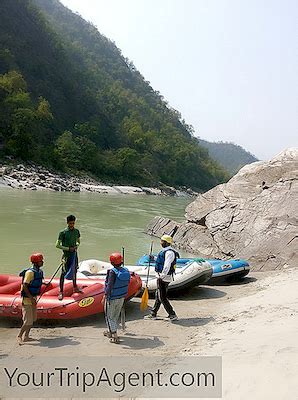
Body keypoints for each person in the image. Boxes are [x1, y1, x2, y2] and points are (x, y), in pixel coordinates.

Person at [144, 235, 178, 321]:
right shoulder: (166, 251)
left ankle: (172, 314)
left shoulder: (169, 253)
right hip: (163, 276)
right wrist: (154, 258)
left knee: (162, 297)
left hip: (164, 277)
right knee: (158, 295)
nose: (161, 243)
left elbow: (166, 266)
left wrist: (161, 276)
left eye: (162, 241)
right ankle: (153, 313)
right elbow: (162, 261)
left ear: (166, 243)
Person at [103, 252, 131, 344]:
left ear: (112, 262)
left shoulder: (112, 272)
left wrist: (105, 296)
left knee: (109, 316)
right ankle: (110, 331)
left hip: (112, 298)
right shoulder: (126, 271)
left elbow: (109, 286)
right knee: (115, 315)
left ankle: (114, 336)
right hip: (121, 297)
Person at [17, 253, 44, 344]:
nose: (42, 262)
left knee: (32, 319)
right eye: (41, 261)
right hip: (27, 299)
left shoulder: (39, 271)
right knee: (28, 320)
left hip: (33, 297)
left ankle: (26, 336)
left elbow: (36, 282)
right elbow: (25, 285)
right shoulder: (30, 272)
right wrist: (30, 297)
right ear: (36, 262)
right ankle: (19, 336)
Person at [56, 214, 81, 300]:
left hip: (74, 254)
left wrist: (76, 246)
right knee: (63, 273)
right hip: (66, 255)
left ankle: (75, 287)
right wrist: (68, 248)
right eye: (70, 223)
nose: (72, 225)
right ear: (67, 223)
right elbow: (57, 245)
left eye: (73, 223)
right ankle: (61, 291)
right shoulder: (63, 233)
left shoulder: (76, 231)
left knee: (74, 271)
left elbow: (78, 241)